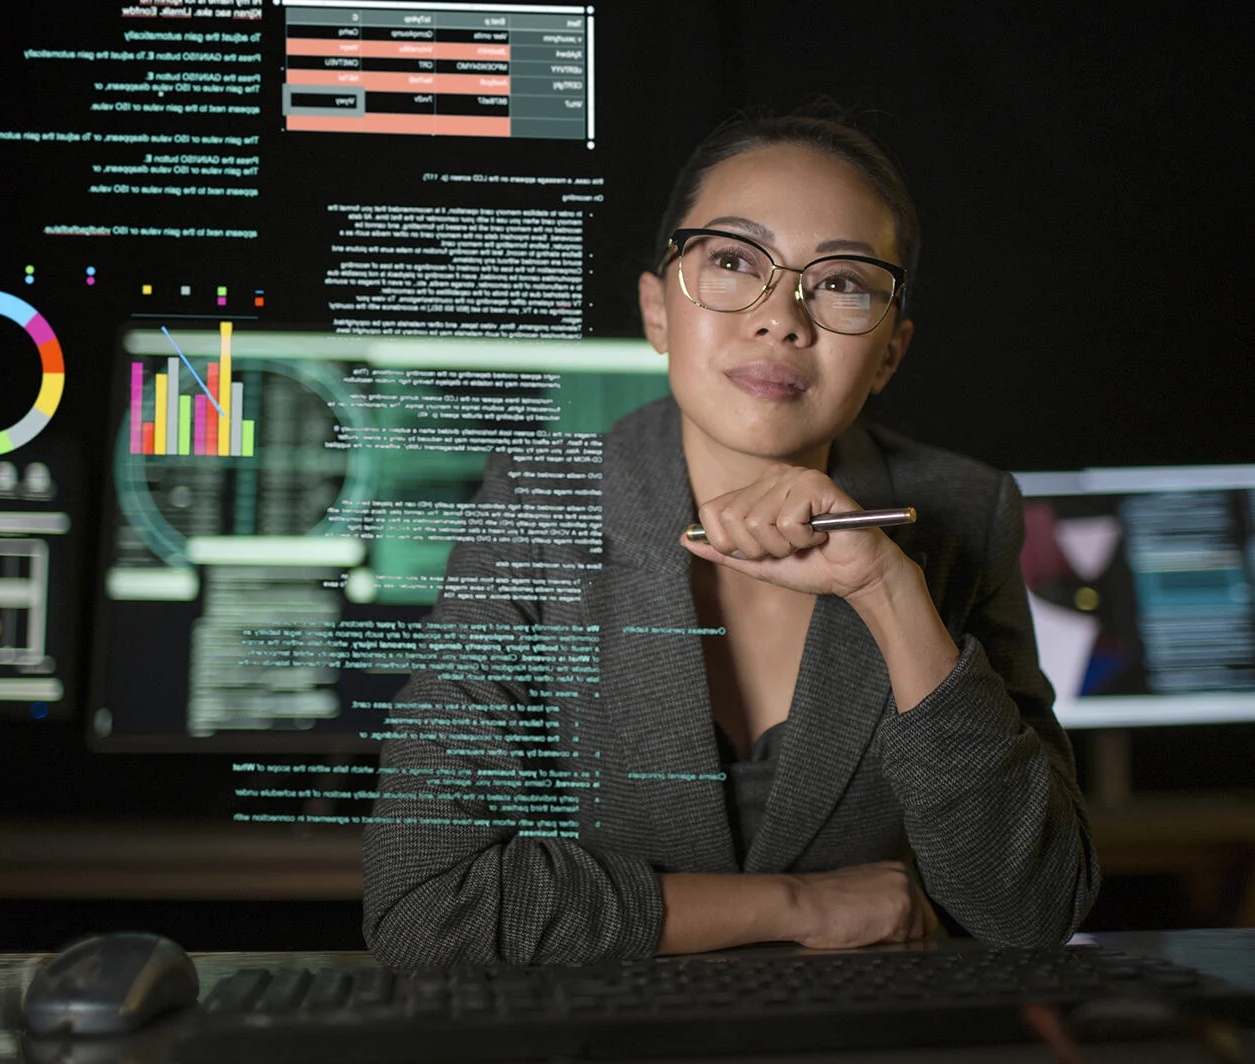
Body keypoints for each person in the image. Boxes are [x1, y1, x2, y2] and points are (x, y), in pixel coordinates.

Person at [363, 108, 1100, 968]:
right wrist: (799, 908)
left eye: (841, 282)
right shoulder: (536, 504)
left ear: (890, 355)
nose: (782, 318)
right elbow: (422, 904)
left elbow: (1032, 909)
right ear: (657, 313)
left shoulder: (966, 511)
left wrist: (892, 597)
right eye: (732, 261)